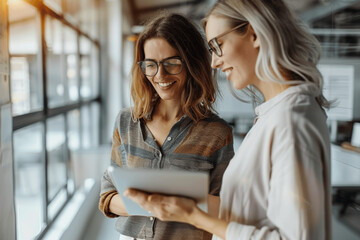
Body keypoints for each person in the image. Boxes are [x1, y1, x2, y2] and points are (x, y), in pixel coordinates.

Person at [124, 0, 332, 239]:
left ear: (253, 33)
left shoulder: (291, 120)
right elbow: (246, 210)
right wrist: (174, 202)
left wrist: (194, 216)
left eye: (218, 44)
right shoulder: (275, 115)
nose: (214, 62)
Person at [98, 11, 235, 240]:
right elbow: (108, 197)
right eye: (150, 65)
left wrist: (157, 201)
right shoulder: (127, 122)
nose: (160, 75)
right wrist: (156, 205)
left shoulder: (217, 134)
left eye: (171, 63)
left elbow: (226, 208)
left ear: (192, 63)